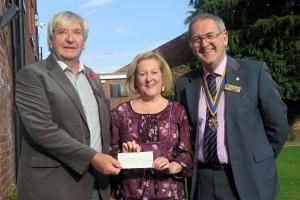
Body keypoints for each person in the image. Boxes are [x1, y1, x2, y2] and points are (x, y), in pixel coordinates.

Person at [174, 13, 289, 200]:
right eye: (197, 39)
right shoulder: (184, 84)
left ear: (224, 38)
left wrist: (257, 160)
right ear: (191, 46)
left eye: (210, 36)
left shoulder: (254, 73)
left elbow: (278, 126)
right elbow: (183, 134)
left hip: (248, 178)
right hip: (203, 183)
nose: (204, 44)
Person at [15, 11, 121, 200]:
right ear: (50, 41)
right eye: (62, 32)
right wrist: (93, 158)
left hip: (97, 185)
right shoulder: (32, 75)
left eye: (77, 32)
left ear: (84, 43)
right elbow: (43, 130)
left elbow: (102, 128)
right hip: (54, 187)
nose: (70, 39)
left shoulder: (93, 77)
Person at [110, 51, 193, 199]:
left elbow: (186, 153)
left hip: (170, 194)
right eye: (142, 74)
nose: (149, 79)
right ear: (135, 80)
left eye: (154, 72)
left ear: (162, 77)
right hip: (129, 194)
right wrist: (123, 156)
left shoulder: (177, 111)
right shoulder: (119, 113)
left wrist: (172, 166)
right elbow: (109, 153)